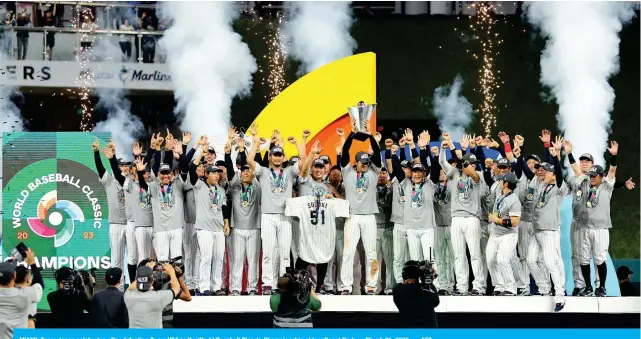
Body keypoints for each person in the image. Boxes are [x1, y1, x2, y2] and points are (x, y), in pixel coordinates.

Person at [247, 123, 307, 295]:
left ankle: (282, 282)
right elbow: (250, 161)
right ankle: (267, 283)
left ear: (283, 157)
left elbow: (302, 161)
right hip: (267, 215)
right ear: (270, 157)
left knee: (284, 252)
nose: (278, 158)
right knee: (268, 251)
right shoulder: (264, 172)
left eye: (280, 155)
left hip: (285, 216)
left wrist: (297, 143)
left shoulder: (288, 171)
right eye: (275, 155)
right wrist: (256, 144)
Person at [438, 133, 487, 296]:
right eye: (471, 163)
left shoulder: (478, 176)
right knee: (458, 255)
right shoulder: (454, 174)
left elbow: (471, 172)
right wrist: (442, 149)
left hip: (472, 218)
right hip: (456, 219)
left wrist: (453, 146)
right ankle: (462, 286)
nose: (472, 166)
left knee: (475, 254)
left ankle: (479, 286)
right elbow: (441, 162)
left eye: (474, 163)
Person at [338, 125, 383, 295]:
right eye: (362, 163)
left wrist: (370, 136)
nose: (365, 165)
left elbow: (377, 155)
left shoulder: (374, 172)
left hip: (369, 216)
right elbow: (345, 151)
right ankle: (346, 286)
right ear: (355, 163)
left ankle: (371, 286)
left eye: (367, 163)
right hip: (352, 217)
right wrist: (353, 133)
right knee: (348, 252)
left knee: (371, 252)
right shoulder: (347, 172)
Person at [189, 138, 231, 295]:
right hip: (204, 228)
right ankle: (204, 287)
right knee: (206, 258)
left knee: (219, 258)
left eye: (218, 173)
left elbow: (224, 207)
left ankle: (216, 286)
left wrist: (226, 223)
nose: (217, 176)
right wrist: (201, 151)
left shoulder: (220, 190)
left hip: (218, 228)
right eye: (214, 173)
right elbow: (192, 168)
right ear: (206, 174)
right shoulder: (199, 185)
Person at [93, 138, 129, 288]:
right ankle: (118, 289)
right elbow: (101, 169)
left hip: (132, 224)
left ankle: (134, 286)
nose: (125, 168)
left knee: (134, 259)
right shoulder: (110, 180)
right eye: (122, 165)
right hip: (116, 224)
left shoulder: (131, 182)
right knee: (116, 260)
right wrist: (96, 153)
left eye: (127, 165)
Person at [0, 249, 43, 337]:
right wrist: (32, 263)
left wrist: (13, 261)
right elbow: (40, 285)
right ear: (14, 276)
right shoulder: (24, 295)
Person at [124, 262, 180, 328]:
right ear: (152, 281)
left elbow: (130, 288)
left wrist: (146, 271)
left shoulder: (128, 296)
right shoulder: (158, 297)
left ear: (136, 280)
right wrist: (172, 272)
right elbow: (176, 289)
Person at [392, 260, 440, 328]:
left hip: (407, 331)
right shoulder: (428, 290)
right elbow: (435, 302)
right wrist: (427, 279)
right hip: (428, 332)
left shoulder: (398, 289)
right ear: (419, 274)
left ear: (404, 274)